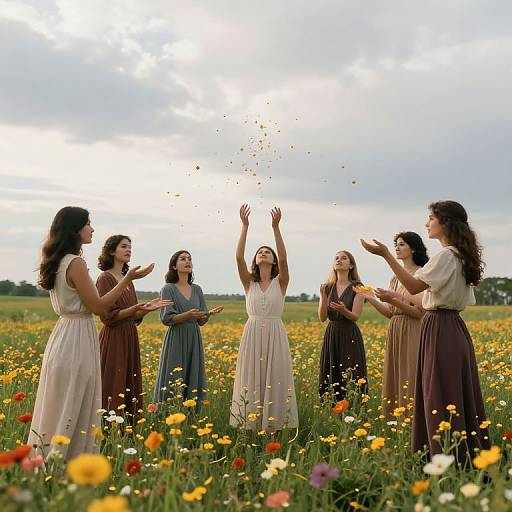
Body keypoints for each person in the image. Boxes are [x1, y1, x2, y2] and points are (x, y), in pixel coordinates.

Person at [361, 200, 489, 462]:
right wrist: (394, 298)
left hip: (440, 328)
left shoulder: (445, 255)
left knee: (438, 393)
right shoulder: (458, 255)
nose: (426, 223)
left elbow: (414, 286)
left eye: (431, 218)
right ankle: (458, 454)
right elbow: (426, 299)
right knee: (451, 392)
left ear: (446, 222)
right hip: (451, 326)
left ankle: (442, 459)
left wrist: (386, 254)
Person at [29, 207, 153, 460]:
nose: (92, 229)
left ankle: (51, 457)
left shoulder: (57, 261)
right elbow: (98, 306)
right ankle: (68, 459)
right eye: (88, 224)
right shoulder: (75, 263)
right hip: (77, 335)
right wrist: (127, 278)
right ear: (76, 229)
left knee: (61, 399)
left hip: (63, 333)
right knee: (78, 397)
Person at [230, 204, 298, 431]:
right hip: (252, 332)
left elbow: (287, 259)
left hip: (275, 332)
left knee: (275, 377)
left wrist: (276, 228)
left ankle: (275, 427)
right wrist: (244, 226)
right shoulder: (249, 283)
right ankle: (250, 427)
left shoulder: (282, 282)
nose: (263, 253)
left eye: (268, 252)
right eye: (260, 252)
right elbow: (238, 257)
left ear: (273, 260)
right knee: (252, 379)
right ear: (256, 260)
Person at [96, 235, 171, 421]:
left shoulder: (127, 280)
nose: (129, 250)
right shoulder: (105, 278)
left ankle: (128, 427)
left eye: (130, 246)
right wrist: (134, 309)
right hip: (114, 338)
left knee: (129, 381)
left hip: (129, 335)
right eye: (123, 246)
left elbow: (134, 315)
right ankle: (107, 426)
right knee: (113, 382)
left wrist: (145, 310)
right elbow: (107, 316)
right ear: (112, 251)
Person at [356, 232, 428, 419]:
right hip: (395, 329)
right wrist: (371, 298)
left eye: (402, 244)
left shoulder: (421, 274)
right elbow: (389, 312)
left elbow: (420, 312)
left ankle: (413, 419)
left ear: (413, 248)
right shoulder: (395, 279)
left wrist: (394, 300)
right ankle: (395, 421)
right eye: (395, 244)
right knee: (395, 375)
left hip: (413, 329)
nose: (397, 247)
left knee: (410, 374)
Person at [153, 250, 223, 403]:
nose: (187, 261)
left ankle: (191, 416)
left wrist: (208, 314)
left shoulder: (197, 289)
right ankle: (167, 412)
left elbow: (201, 320)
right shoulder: (168, 289)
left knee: (193, 376)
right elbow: (167, 318)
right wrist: (189, 315)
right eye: (183, 259)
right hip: (176, 338)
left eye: (189, 259)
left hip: (194, 337)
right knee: (173, 376)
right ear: (174, 266)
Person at [318, 250, 366, 401]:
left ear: (351, 265)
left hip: (349, 332)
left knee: (350, 369)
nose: (339, 260)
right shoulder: (327, 287)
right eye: (336, 258)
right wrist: (322, 297)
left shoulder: (357, 287)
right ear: (333, 264)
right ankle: (331, 405)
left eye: (344, 258)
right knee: (331, 369)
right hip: (332, 332)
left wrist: (343, 310)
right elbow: (322, 317)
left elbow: (355, 316)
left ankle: (354, 404)